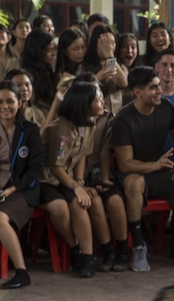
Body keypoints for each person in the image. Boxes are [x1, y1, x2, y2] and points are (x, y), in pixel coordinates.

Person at [111, 66, 174, 271]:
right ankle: (138, 245)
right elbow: (125, 163)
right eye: (153, 88)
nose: (159, 91)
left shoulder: (165, 107)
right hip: (135, 174)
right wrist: (154, 165)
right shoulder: (124, 119)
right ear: (137, 92)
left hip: (161, 172)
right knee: (135, 181)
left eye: (158, 87)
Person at [0, 81, 41, 288]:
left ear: (19, 103)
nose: (5, 106)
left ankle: (21, 272)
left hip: (22, 188)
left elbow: (36, 170)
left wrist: (11, 189)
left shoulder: (29, 130)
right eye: (0, 102)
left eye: (10, 101)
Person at [44, 81, 112, 277]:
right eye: (98, 99)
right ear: (84, 104)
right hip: (46, 179)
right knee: (78, 204)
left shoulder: (88, 122)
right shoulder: (61, 128)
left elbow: (82, 154)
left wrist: (81, 183)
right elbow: (55, 167)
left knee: (94, 199)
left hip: (67, 177)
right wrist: (76, 188)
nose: (102, 102)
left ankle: (107, 251)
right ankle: (84, 256)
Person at [21, 29, 57, 113]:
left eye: (54, 49)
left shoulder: (48, 70)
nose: (53, 54)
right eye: (49, 50)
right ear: (37, 50)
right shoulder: (26, 75)